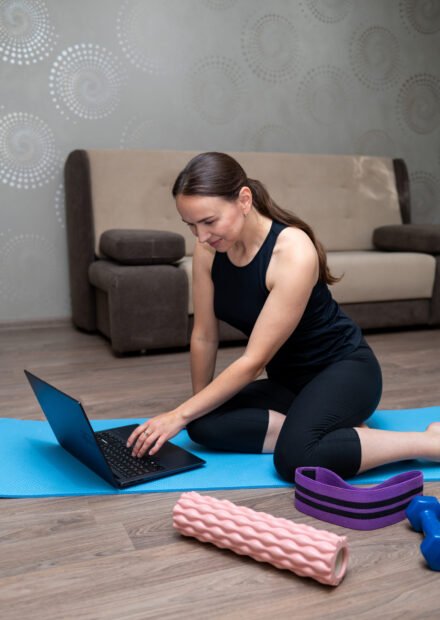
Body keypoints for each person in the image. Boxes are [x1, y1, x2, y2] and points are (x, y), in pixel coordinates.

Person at [127, 152, 440, 482]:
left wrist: (177, 415)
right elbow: (204, 335)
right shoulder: (210, 249)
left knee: (295, 459)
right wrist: (193, 412)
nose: (201, 236)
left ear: (244, 200)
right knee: (200, 424)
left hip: (344, 372)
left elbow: (253, 361)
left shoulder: (292, 250)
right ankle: (332, 432)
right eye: (191, 225)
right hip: (288, 384)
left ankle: (429, 443)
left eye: (209, 221)